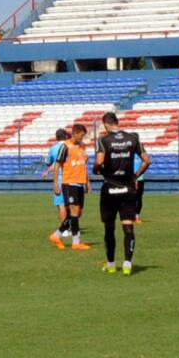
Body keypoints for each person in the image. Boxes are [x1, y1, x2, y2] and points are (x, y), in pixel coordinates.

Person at [96, 112, 150, 275]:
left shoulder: (103, 140)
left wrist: (97, 169)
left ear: (106, 124)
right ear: (117, 122)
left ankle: (111, 264)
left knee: (109, 228)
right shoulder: (133, 138)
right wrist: (135, 175)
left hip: (110, 188)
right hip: (128, 188)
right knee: (128, 227)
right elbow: (147, 160)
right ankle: (127, 264)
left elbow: (99, 161)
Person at [54, 124, 92, 251]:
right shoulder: (65, 146)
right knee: (74, 212)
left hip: (80, 183)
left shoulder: (82, 146)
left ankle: (56, 235)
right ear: (75, 133)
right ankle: (76, 242)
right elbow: (57, 165)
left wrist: (87, 182)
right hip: (69, 183)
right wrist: (55, 184)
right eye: (82, 136)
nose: (83, 138)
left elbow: (83, 165)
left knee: (78, 213)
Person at [42, 129, 71, 247]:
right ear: (66, 136)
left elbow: (51, 162)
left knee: (61, 205)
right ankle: (69, 227)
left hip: (59, 179)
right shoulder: (69, 146)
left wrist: (47, 170)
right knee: (70, 204)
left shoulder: (53, 148)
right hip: (71, 178)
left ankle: (64, 229)